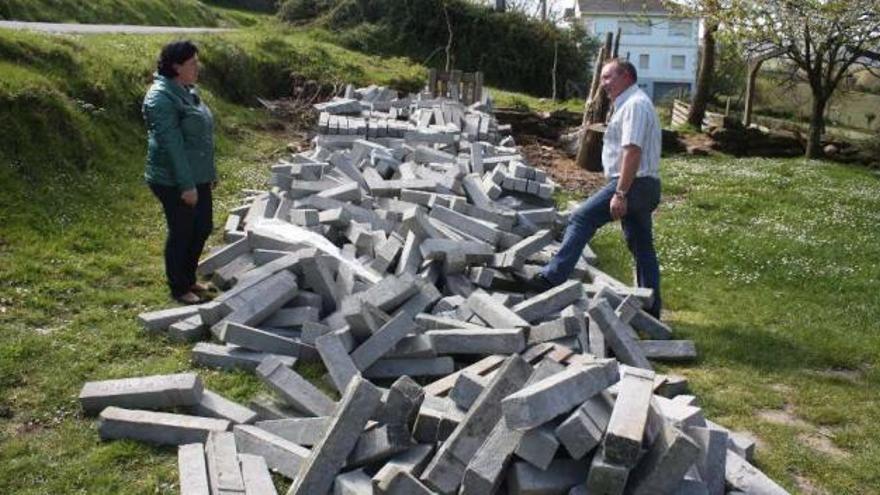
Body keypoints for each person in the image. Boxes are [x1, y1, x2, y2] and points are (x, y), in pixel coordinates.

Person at [533, 58, 663, 319]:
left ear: (626, 75)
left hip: (634, 184)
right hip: (644, 184)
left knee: (582, 217)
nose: (603, 84)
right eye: (602, 78)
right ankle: (651, 306)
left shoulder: (635, 105)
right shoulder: (628, 103)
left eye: (607, 77)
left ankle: (551, 278)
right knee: (641, 245)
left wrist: (621, 193)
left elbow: (633, 151)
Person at [143, 40, 216, 304]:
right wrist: (187, 185)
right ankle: (178, 287)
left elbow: (201, 138)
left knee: (203, 227)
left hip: (198, 175)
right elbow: (172, 147)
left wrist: (208, 175)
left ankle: (188, 277)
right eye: (192, 63)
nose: (198, 67)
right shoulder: (160, 98)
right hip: (173, 179)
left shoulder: (187, 90)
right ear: (175, 66)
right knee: (182, 231)